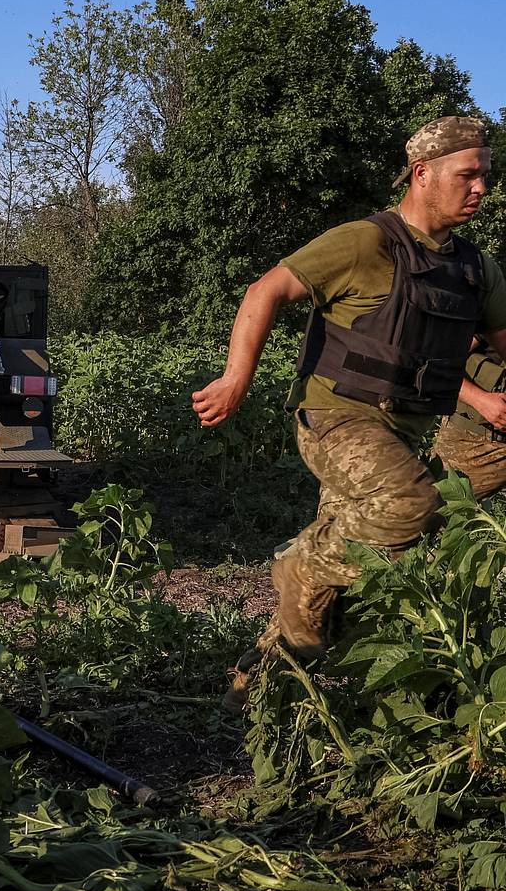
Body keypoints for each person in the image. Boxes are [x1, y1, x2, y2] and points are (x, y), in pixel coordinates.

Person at [191, 116, 506, 707]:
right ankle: (295, 564)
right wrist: (236, 381)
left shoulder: (475, 268)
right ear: (423, 174)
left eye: (486, 175)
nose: (481, 188)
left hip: (406, 430)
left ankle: (262, 682)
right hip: (336, 417)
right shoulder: (366, 242)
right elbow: (267, 290)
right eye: (469, 175)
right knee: (408, 504)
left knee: (353, 579)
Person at [431, 344, 506, 500]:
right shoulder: (494, 321)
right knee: (437, 508)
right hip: (477, 441)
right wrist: (478, 399)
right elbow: (433, 361)